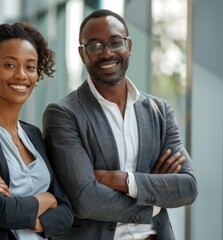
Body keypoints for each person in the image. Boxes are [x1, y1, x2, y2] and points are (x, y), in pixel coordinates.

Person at [42, 9, 198, 240]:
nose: (107, 53)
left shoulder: (159, 111)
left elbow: (187, 187)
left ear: (129, 46)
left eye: (116, 42)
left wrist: (125, 180)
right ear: (82, 54)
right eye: (94, 46)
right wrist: (154, 197)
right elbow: (86, 200)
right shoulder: (64, 114)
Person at [0, 22, 73, 240]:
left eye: (30, 67)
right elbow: (1, 212)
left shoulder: (34, 135)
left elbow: (66, 211)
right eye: (9, 65)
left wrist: (34, 219)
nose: (21, 75)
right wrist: (47, 199)